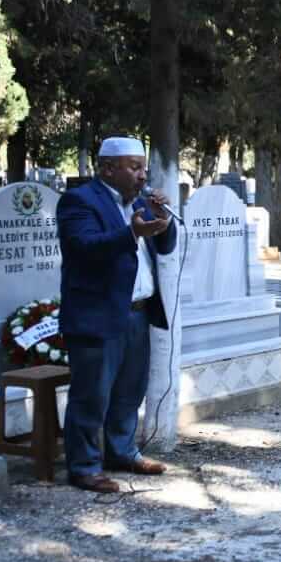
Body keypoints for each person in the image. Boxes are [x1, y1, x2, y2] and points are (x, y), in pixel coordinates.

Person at [57, 136, 178, 493]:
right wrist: (131, 233)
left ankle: (122, 452)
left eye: (144, 168)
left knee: (129, 391)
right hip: (98, 314)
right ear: (108, 168)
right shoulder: (79, 201)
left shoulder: (140, 202)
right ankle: (84, 467)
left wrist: (163, 221)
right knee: (92, 396)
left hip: (138, 312)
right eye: (134, 167)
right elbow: (83, 248)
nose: (142, 175)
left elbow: (165, 246)